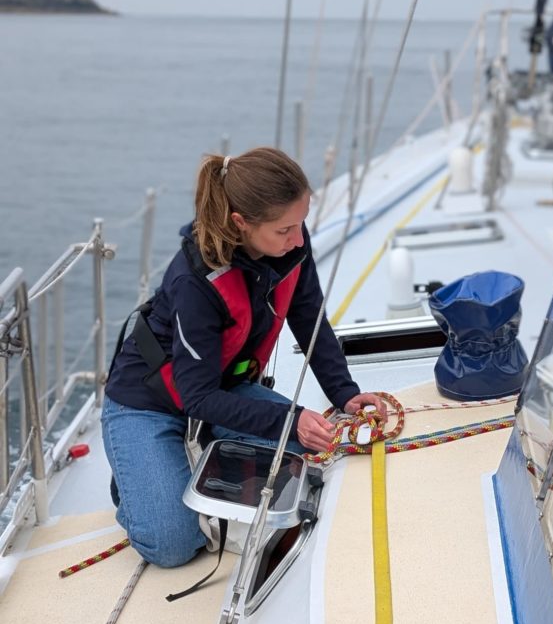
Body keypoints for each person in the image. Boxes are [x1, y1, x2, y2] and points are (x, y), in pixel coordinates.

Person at [102, 146, 385, 567]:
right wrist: (288, 419)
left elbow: (310, 321)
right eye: (285, 229)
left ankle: (200, 449)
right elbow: (196, 398)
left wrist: (345, 394)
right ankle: (135, 482)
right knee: (173, 545)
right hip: (148, 404)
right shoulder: (195, 281)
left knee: (318, 454)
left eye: (301, 223)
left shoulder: (292, 246)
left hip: (223, 390)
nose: (297, 238)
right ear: (241, 223)